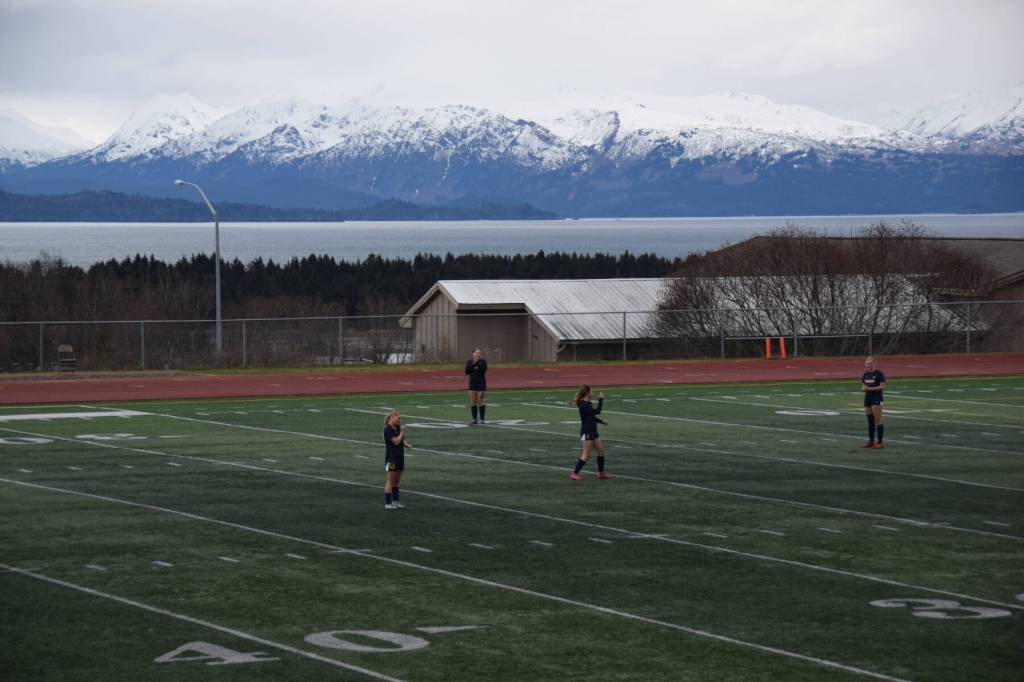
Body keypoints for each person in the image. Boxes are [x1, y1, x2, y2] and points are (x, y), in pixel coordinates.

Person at [570, 384, 610, 480]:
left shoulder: (587, 403)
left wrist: (601, 422)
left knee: (601, 452)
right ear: (587, 393)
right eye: (591, 391)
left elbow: (591, 416)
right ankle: (574, 474)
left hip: (593, 431)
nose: (592, 392)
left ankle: (601, 473)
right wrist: (601, 399)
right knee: (586, 455)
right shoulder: (584, 404)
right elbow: (597, 411)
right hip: (587, 432)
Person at [383, 410, 411, 509]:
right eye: (398, 418)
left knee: (397, 481)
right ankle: (388, 503)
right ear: (392, 417)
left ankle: (395, 501)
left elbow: (401, 440)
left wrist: (406, 444)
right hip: (392, 458)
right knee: (391, 480)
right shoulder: (388, 429)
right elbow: (396, 441)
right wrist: (403, 432)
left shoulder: (398, 427)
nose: (400, 420)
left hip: (400, 456)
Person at [861, 356, 886, 449]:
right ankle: (871, 441)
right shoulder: (865, 374)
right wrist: (864, 389)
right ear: (865, 364)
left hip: (876, 398)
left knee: (878, 420)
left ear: (874, 363)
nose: (869, 365)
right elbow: (863, 386)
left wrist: (870, 388)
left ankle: (879, 442)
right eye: (867, 364)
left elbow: (883, 386)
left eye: (870, 363)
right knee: (870, 421)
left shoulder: (879, 374)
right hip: (867, 398)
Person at [465, 348, 488, 424]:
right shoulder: (469, 362)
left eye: (479, 353)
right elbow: (466, 371)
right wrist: (473, 364)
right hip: (472, 384)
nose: (478, 354)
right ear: (473, 354)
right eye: (476, 353)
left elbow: (483, 371)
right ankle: (474, 419)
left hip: (481, 384)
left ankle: (482, 419)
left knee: (480, 401)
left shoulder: (483, 361)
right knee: (473, 402)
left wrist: (478, 364)